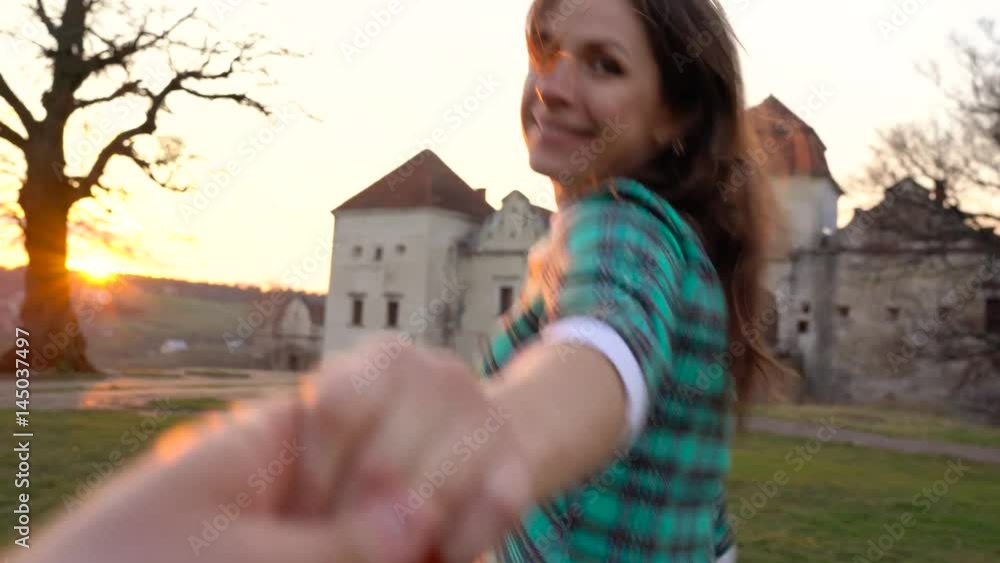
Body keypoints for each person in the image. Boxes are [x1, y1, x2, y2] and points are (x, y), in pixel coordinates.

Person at [10, 0, 780, 561]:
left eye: (605, 64)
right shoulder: (693, 256)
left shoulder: (620, 227)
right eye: (548, 48)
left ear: (675, 118)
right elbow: (700, 513)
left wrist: (484, 442)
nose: (554, 84)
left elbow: (605, 343)